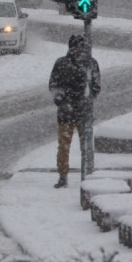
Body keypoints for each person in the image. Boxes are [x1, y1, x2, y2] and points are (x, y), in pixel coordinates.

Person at [48, 35, 101, 188]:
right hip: (70, 113)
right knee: (65, 147)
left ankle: (84, 174)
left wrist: (81, 99)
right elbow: (53, 85)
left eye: (80, 47)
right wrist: (62, 100)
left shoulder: (89, 64)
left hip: (79, 112)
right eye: (76, 47)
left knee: (83, 146)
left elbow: (96, 86)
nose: (78, 50)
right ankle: (64, 175)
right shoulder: (66, 63)